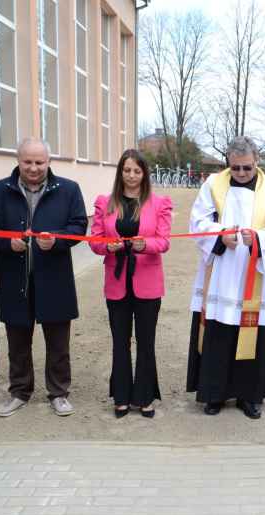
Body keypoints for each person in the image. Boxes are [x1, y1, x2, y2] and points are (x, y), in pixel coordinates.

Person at [186, 136, 265, 419]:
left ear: (257, 161)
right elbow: (197, 221)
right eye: (235, 168)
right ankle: (215, 393)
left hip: (254, 273)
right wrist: (220, 236)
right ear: (228, 163)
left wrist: (257, 238)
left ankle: (249, 396)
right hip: (221, 271)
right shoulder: (213, 184)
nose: (241, 173)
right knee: (219, 331)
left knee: (252, 333)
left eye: (247, 167)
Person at [0, 138, 88, 418]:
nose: (33, 168)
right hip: (15, 280)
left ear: (48, 161)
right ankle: (19, 392)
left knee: (58, 344)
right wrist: (7, 243)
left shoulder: (68, 189)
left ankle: (59, 393)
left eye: (39, 162)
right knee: (17, 343)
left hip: (54, 279)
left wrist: (57, 241)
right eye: (27, 162)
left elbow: (78, 226)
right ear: (18, 160)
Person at [89, 150, 172, 418]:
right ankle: (121, 396)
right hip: (117, 283)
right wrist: (108, 247)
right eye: (127, 170)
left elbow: (164, 241)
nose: (132, 175)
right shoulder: (104, 203)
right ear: (120, 172)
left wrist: (145, 244)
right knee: (120, 341)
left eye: (137, 171)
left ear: (144, 174)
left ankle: (145, 396)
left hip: (147, 282)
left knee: (146, 342)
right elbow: (95, 240)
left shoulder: (159, 204)